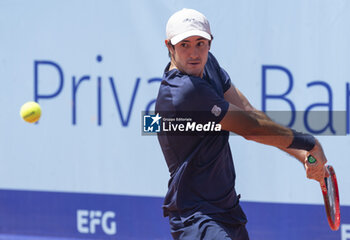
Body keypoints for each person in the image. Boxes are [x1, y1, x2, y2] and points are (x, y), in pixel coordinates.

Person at [155, 8, 328, 240]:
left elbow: (248, 111)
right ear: (169, 46)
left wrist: (303, 156)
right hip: (197, 219)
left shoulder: (207, 65)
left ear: (210, 43)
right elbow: (250, 128)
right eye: (184, 45)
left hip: (227, 212)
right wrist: (309, 142)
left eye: (200, 43)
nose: (194, 53)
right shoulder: (185, 92)